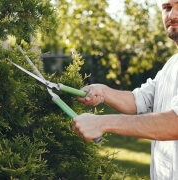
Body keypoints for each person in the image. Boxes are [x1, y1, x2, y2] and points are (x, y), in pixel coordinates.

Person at [72, 0, 178, 179]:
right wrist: (103, 90)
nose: (172, 15)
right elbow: (139, 100)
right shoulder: (172, 64)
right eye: (167, 8)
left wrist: (102, 123)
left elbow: (175, 123)